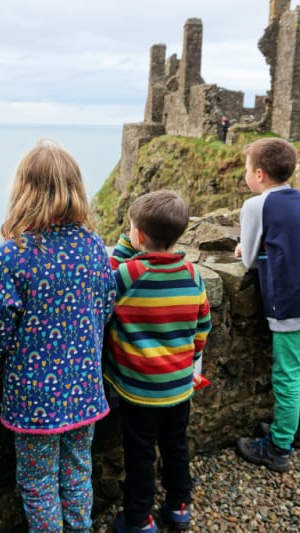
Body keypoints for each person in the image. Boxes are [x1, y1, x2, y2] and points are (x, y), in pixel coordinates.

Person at [0, 139, 117, 532]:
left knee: (38, 482)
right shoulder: (93, 247)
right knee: (77, 470)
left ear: (23, 190)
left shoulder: (13, 255)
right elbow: (106, 306)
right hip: (85, 388)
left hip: (33, 396)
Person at [104, 190, 212, 533]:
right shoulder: (193, 275)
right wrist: (190, 359)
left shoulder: (128, 274)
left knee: (140, 455)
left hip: (139, 389)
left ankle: (140, 519)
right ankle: (180, 507)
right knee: (176, 446)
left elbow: (106, 282)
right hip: (179, 386)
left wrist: (124, 244)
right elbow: (202, 328)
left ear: (137, 236)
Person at [234, 137, 300, 473]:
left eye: (247, 169)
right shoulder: (298, 197)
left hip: (291, 303)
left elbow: (248, 259)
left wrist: (240, 249)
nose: (245, 175)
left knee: (287, 376)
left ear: (260, 174)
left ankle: (278, 446)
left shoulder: (256, 205)